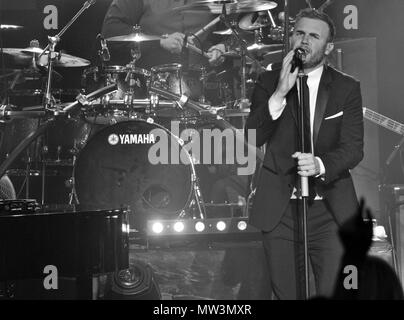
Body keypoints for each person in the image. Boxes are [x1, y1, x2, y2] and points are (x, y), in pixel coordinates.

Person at [245, 8, 364, 299]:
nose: (304, 41)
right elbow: (253, 135)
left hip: (329, 210)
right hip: (281, 211)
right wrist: (279, 93)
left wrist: (321, 164)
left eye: (314, 35)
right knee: (287, 294)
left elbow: (353, 149)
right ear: (290, 37)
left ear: (329, 47)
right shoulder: (268, 81)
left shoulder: (346, 88)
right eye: (299, 33)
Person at [101, 0, 226, 70]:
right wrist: (159, 41)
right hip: (149, 81)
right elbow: (111, 30)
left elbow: (233, 28)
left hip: (202, 81)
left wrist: (222, 46)